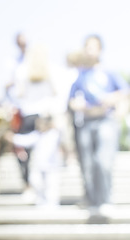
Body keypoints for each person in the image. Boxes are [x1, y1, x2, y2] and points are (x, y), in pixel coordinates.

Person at [68, 35, 129, 215]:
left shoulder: (109, 72)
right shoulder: (81, 74)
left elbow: (124, 91)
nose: (89, 50)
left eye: (93, 47)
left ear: (100, 49)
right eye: (87, 47)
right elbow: (71, 100)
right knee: (87, 163)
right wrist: (77, 105)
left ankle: (105, 199)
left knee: (103, 160)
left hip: (106, 120)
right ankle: (92, 200)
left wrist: (113, 100)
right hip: (86, 122)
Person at [9, 43, 57, 197]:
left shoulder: (22, 69)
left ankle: (29, 185)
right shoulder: (50, 69)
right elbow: (55, 93)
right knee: (44, 155)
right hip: (43, 114)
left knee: (25, 153)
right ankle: (44, 190)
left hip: (28, 113)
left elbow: (19, 93)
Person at [7, 115, 61, 207]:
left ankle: (52, 203)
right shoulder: (37, 135)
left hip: (52, 165)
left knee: (52, 184)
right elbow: (24, 140)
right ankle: (41, 200)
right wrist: (13, 138)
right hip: (38, 164)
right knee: (35, 181)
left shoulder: (54, 134)